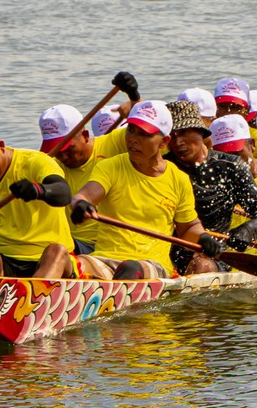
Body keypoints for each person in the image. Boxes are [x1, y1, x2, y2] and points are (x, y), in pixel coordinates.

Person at [71, 99, 223, 280]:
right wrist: (80, 203)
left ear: (164, 142)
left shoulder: (178, 179)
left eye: (144, 134)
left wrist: (203, 238)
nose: (133, 139)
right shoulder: (110, 167)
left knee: (130, 268)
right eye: (131, 130)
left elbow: (188, 227)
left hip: (152, 264)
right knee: (62, 257)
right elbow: (85, 194)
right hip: (105, 258)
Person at [0, 118, 83, 279]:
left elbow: (64, 194)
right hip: (5, 262)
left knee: (56, 251)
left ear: (1, 146)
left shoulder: (36, 162)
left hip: (50, 260)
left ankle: (33, 296)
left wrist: (39, 190)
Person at [165, 101, 257, 269]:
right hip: (166, 253)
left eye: (184, 133)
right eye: (172, 135)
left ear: (201, 132)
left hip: (212, 255)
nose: (178, 142)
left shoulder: (230, 167)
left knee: (201, 264)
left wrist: (246, 231)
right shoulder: (163, 167)